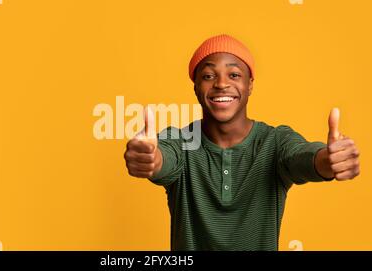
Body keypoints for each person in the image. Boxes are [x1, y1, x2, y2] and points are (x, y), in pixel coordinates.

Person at [123, 34, 360, 250]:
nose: (221, 84)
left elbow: (300, 157)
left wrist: (326, 160)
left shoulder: (275, 141)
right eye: (208, 76)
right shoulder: (180, 141)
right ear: (195, 87)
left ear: (250, 85)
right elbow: (163, 158)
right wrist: (149, 159)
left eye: (234, 74)